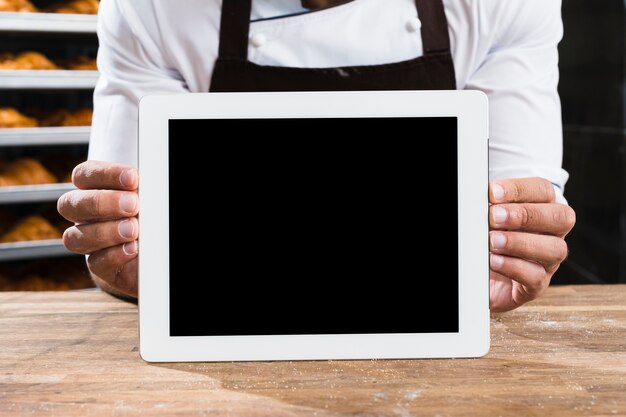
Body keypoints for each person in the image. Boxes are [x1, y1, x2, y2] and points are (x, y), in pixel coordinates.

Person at [57, 0, 575, 311]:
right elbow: (134, 228)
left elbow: (508, 216)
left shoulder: (504, 2)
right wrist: (126, 258)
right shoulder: (154, 8)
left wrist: (514, 248)